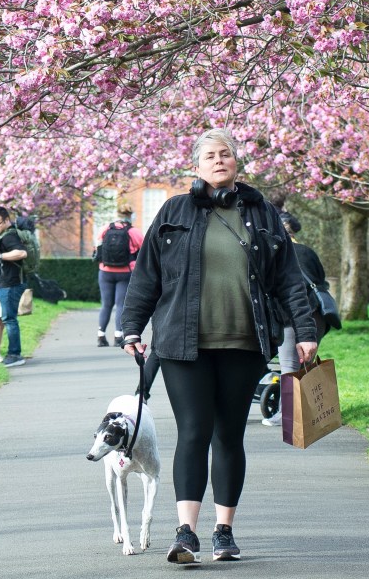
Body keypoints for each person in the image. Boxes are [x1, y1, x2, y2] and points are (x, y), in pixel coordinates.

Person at [122, 128, 318, 564]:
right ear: (196, 165)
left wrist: (306, 332)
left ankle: (224, 532)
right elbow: (146, 276)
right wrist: (131, 328)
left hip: (245, 341)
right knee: (193, 431)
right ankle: (186, 532)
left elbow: (289, 278)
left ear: (236, 162)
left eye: (225, 153)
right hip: (180, 343)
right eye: (209, 155)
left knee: (229, 436)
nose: (218, 160)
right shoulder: (175, 210)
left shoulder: (262, 212)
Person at [261, 210, 329, 426]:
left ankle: (286, 415)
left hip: (290, 315)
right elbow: (321, 279)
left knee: (289, 364)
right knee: (305, 364)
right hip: (317, 314)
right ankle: (313, 414)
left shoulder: (274, 254)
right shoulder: (307, 251)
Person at [94, 201, 143, 347]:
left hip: (105, 271)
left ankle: (101, 336)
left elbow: (97, 248)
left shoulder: (105, 228)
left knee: (106, 304)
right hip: (125, 272)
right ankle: (118, 336)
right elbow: (144, 249)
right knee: (121, 304)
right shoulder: (133, 232)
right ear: (130, 215)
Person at [0, 205, 28, 367]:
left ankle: (15, 354)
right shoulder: (2, 234)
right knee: (8, 319)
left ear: (7, 220)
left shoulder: (10, 236)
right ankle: (14, 353)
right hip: (8, 283)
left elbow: (22, 253)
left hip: (11, 283)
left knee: (9, 320)